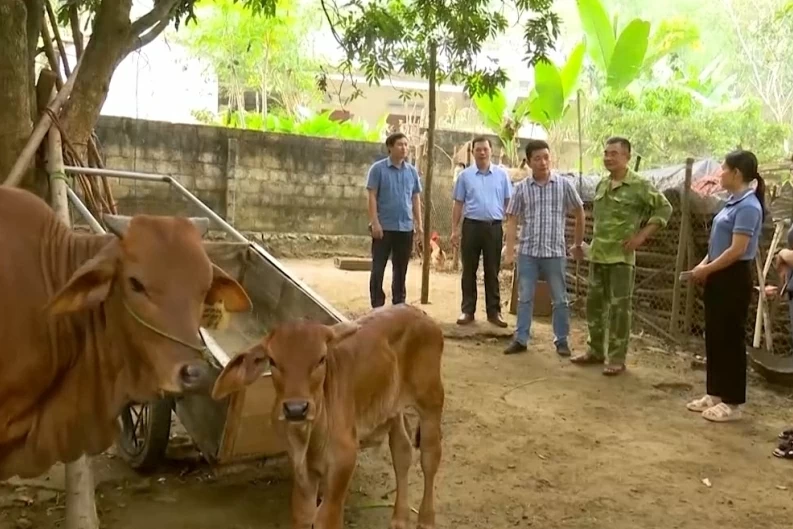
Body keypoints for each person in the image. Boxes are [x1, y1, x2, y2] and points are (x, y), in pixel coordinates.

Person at [571, 137, 672, 376]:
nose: (608, 157)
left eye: (614, 153)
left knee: (619, 310)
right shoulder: (602, 185)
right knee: (594, 306)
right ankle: (595, 350)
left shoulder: (639, 185)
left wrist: (641, 237)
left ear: (626, 156)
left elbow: (664, 208)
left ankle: (616, 358)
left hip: (621, 259)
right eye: (606, 153)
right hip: (598, 255)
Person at [684, 149, 765, 423]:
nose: (719, 173)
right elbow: (717, 246)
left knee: (730, 339)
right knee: (715, 336)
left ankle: (732, 401)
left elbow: (736, 250)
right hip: (718, 274)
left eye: (723, 168)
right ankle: (714, 393)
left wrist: (707, 268)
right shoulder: (731, 203)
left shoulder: (749, 207)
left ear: (737, 173)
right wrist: (703, 265)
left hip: (733, 277)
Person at [502, 140, 586, 356]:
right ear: (529, 162)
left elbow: (579, 212)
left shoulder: (564, 185)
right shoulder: (521, 189)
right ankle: (521, 338)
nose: (543, 162)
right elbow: (511, 218)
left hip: (555, 253)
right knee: (525, 297)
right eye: (537, 158)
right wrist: (510, 250)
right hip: (528, 252)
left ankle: (562, 341)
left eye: (546, 157)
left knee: (559, 299)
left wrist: (577, 243)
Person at [451, 137, 513, 327]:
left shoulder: (502, 176)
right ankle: (467, 311)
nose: (482, 152)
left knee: (492, 271)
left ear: (491, 151)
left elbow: (507, 202)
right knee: (468, 270)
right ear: (473, 152)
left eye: (485, 149)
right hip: (471, 227)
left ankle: (494, 313)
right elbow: (458, 204)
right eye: (478, 150)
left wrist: (506, 225)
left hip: (493, 227)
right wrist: (455, 229)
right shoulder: (465, 176)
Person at [366, 132, 423, 309]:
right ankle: (377, 303)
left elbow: (415, 198)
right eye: (400, 144)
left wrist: (419, 225)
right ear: (390, 147)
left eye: (406, 145)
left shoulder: (412, 172)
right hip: (383, 227)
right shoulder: (378, 169)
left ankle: (399, 302)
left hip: (405, 228)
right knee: (378, 268)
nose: (404, 148)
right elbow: (372, 196)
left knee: (401, 269)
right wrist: (375, 222)